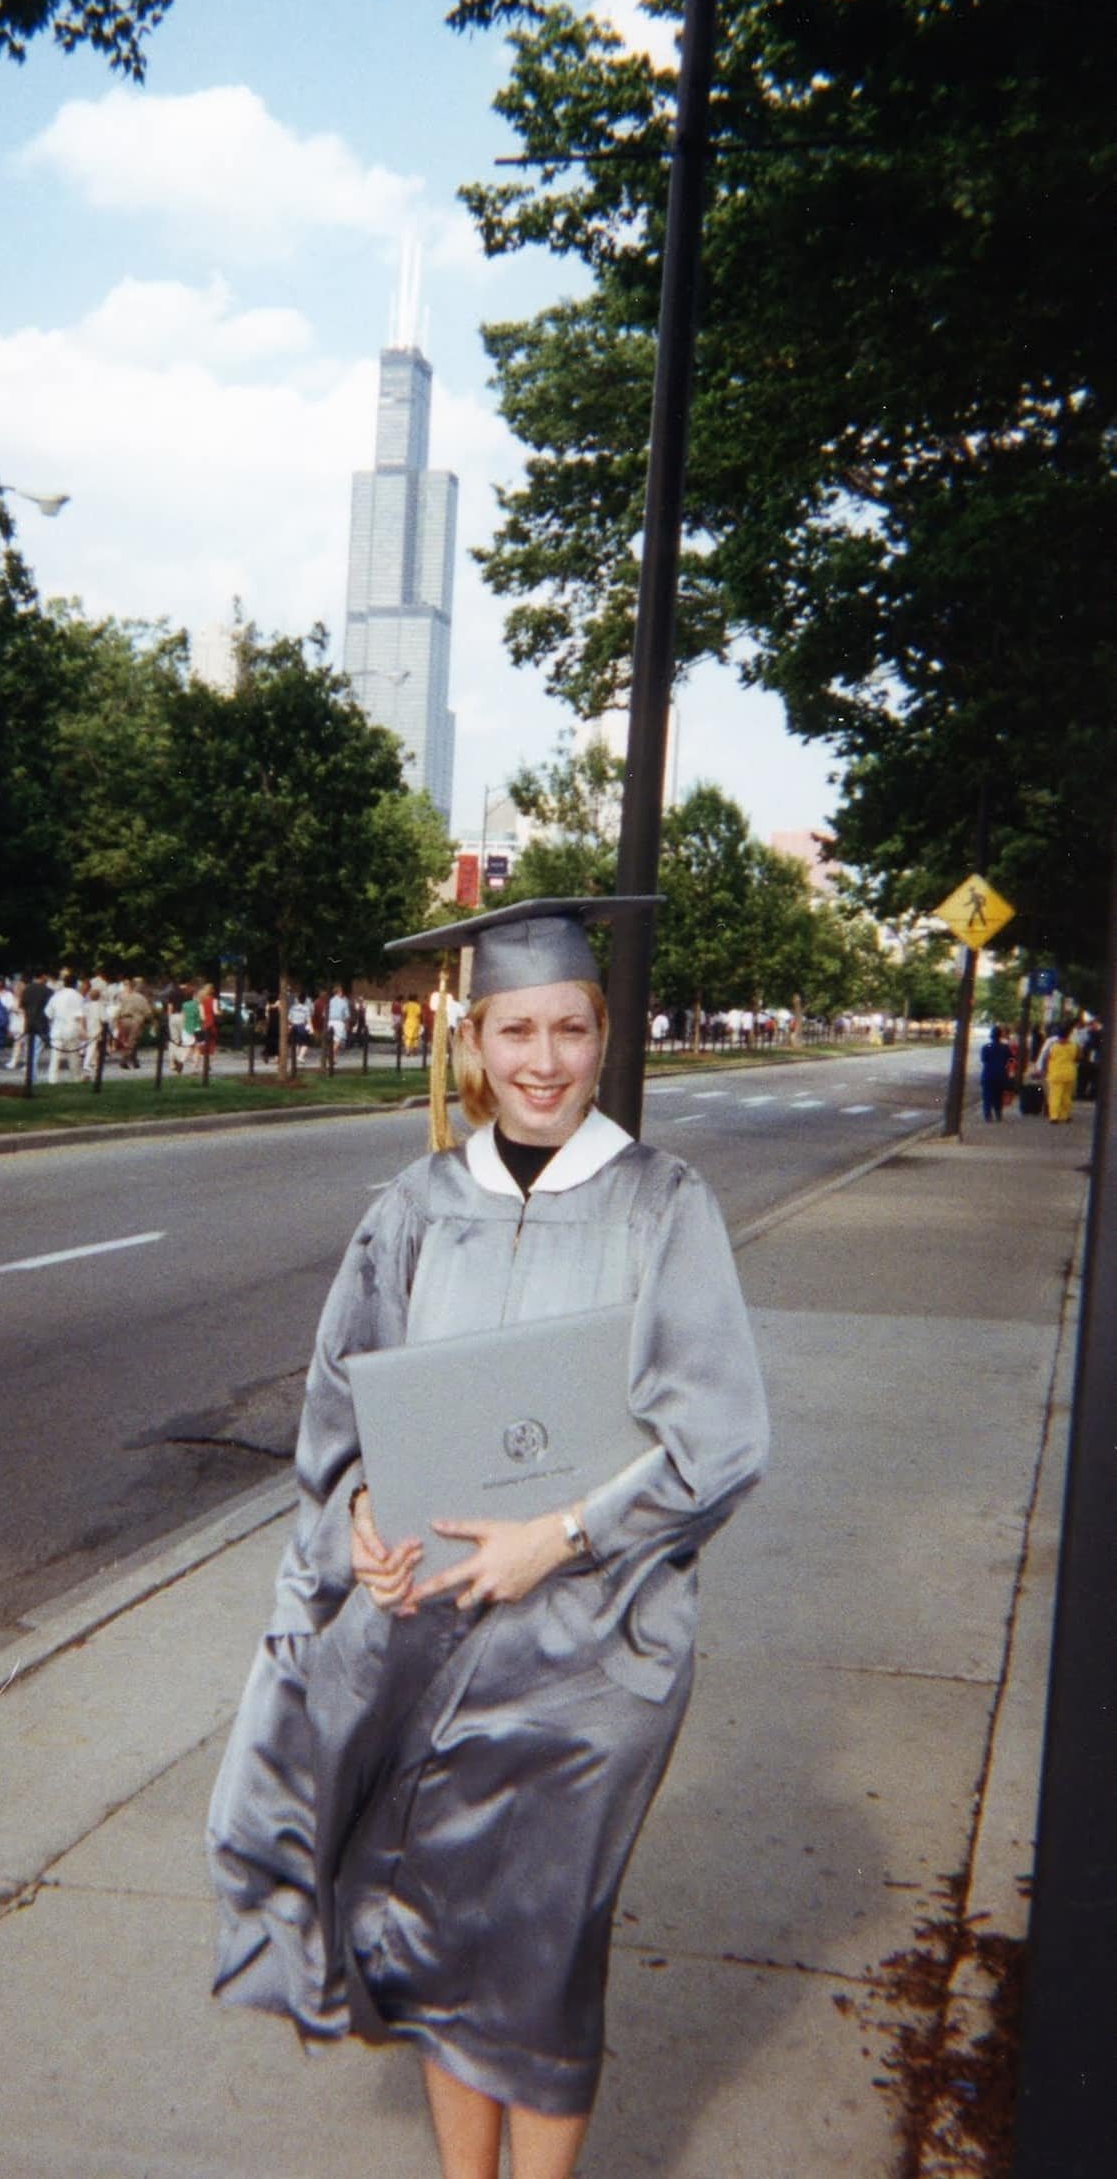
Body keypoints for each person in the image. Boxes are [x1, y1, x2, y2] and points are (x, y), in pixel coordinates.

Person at [208, 897, 769, 2179]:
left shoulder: (661, 1204)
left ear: (604, 1034)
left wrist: (561, 1535)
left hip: (591, 1657)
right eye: (516, 1030)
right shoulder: (415, 1205)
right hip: (428, 1638)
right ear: (472, 1041)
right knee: (436, 1933)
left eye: (571, 1029)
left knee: (542, 1950)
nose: (544, 1061)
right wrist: (357, 1517)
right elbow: (341, 1400)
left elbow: (720, 1441)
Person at [1039, 1024, 1079, 1124]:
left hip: (1055, 1073)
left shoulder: (1054, 1046)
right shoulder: (1073, 1046)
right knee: (1067, 1096)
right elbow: (1077, 1057)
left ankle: (1054, 1116)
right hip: (1069, 1073)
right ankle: (1066, 1115)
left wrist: (1044, 1070)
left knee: (1055, 1096)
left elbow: (1047, 1058)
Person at [979, 1023, 1014, 1123]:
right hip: (1001, 1074)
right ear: (1000, 1036)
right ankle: (998, 1114)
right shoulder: (1005, 1047)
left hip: (988, 1074)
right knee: (998, 1095)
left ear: (991, 1036)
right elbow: (1011, 1059)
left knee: (987, 1096)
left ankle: (988, 1115)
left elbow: (983, 1060)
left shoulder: (986, 1047)